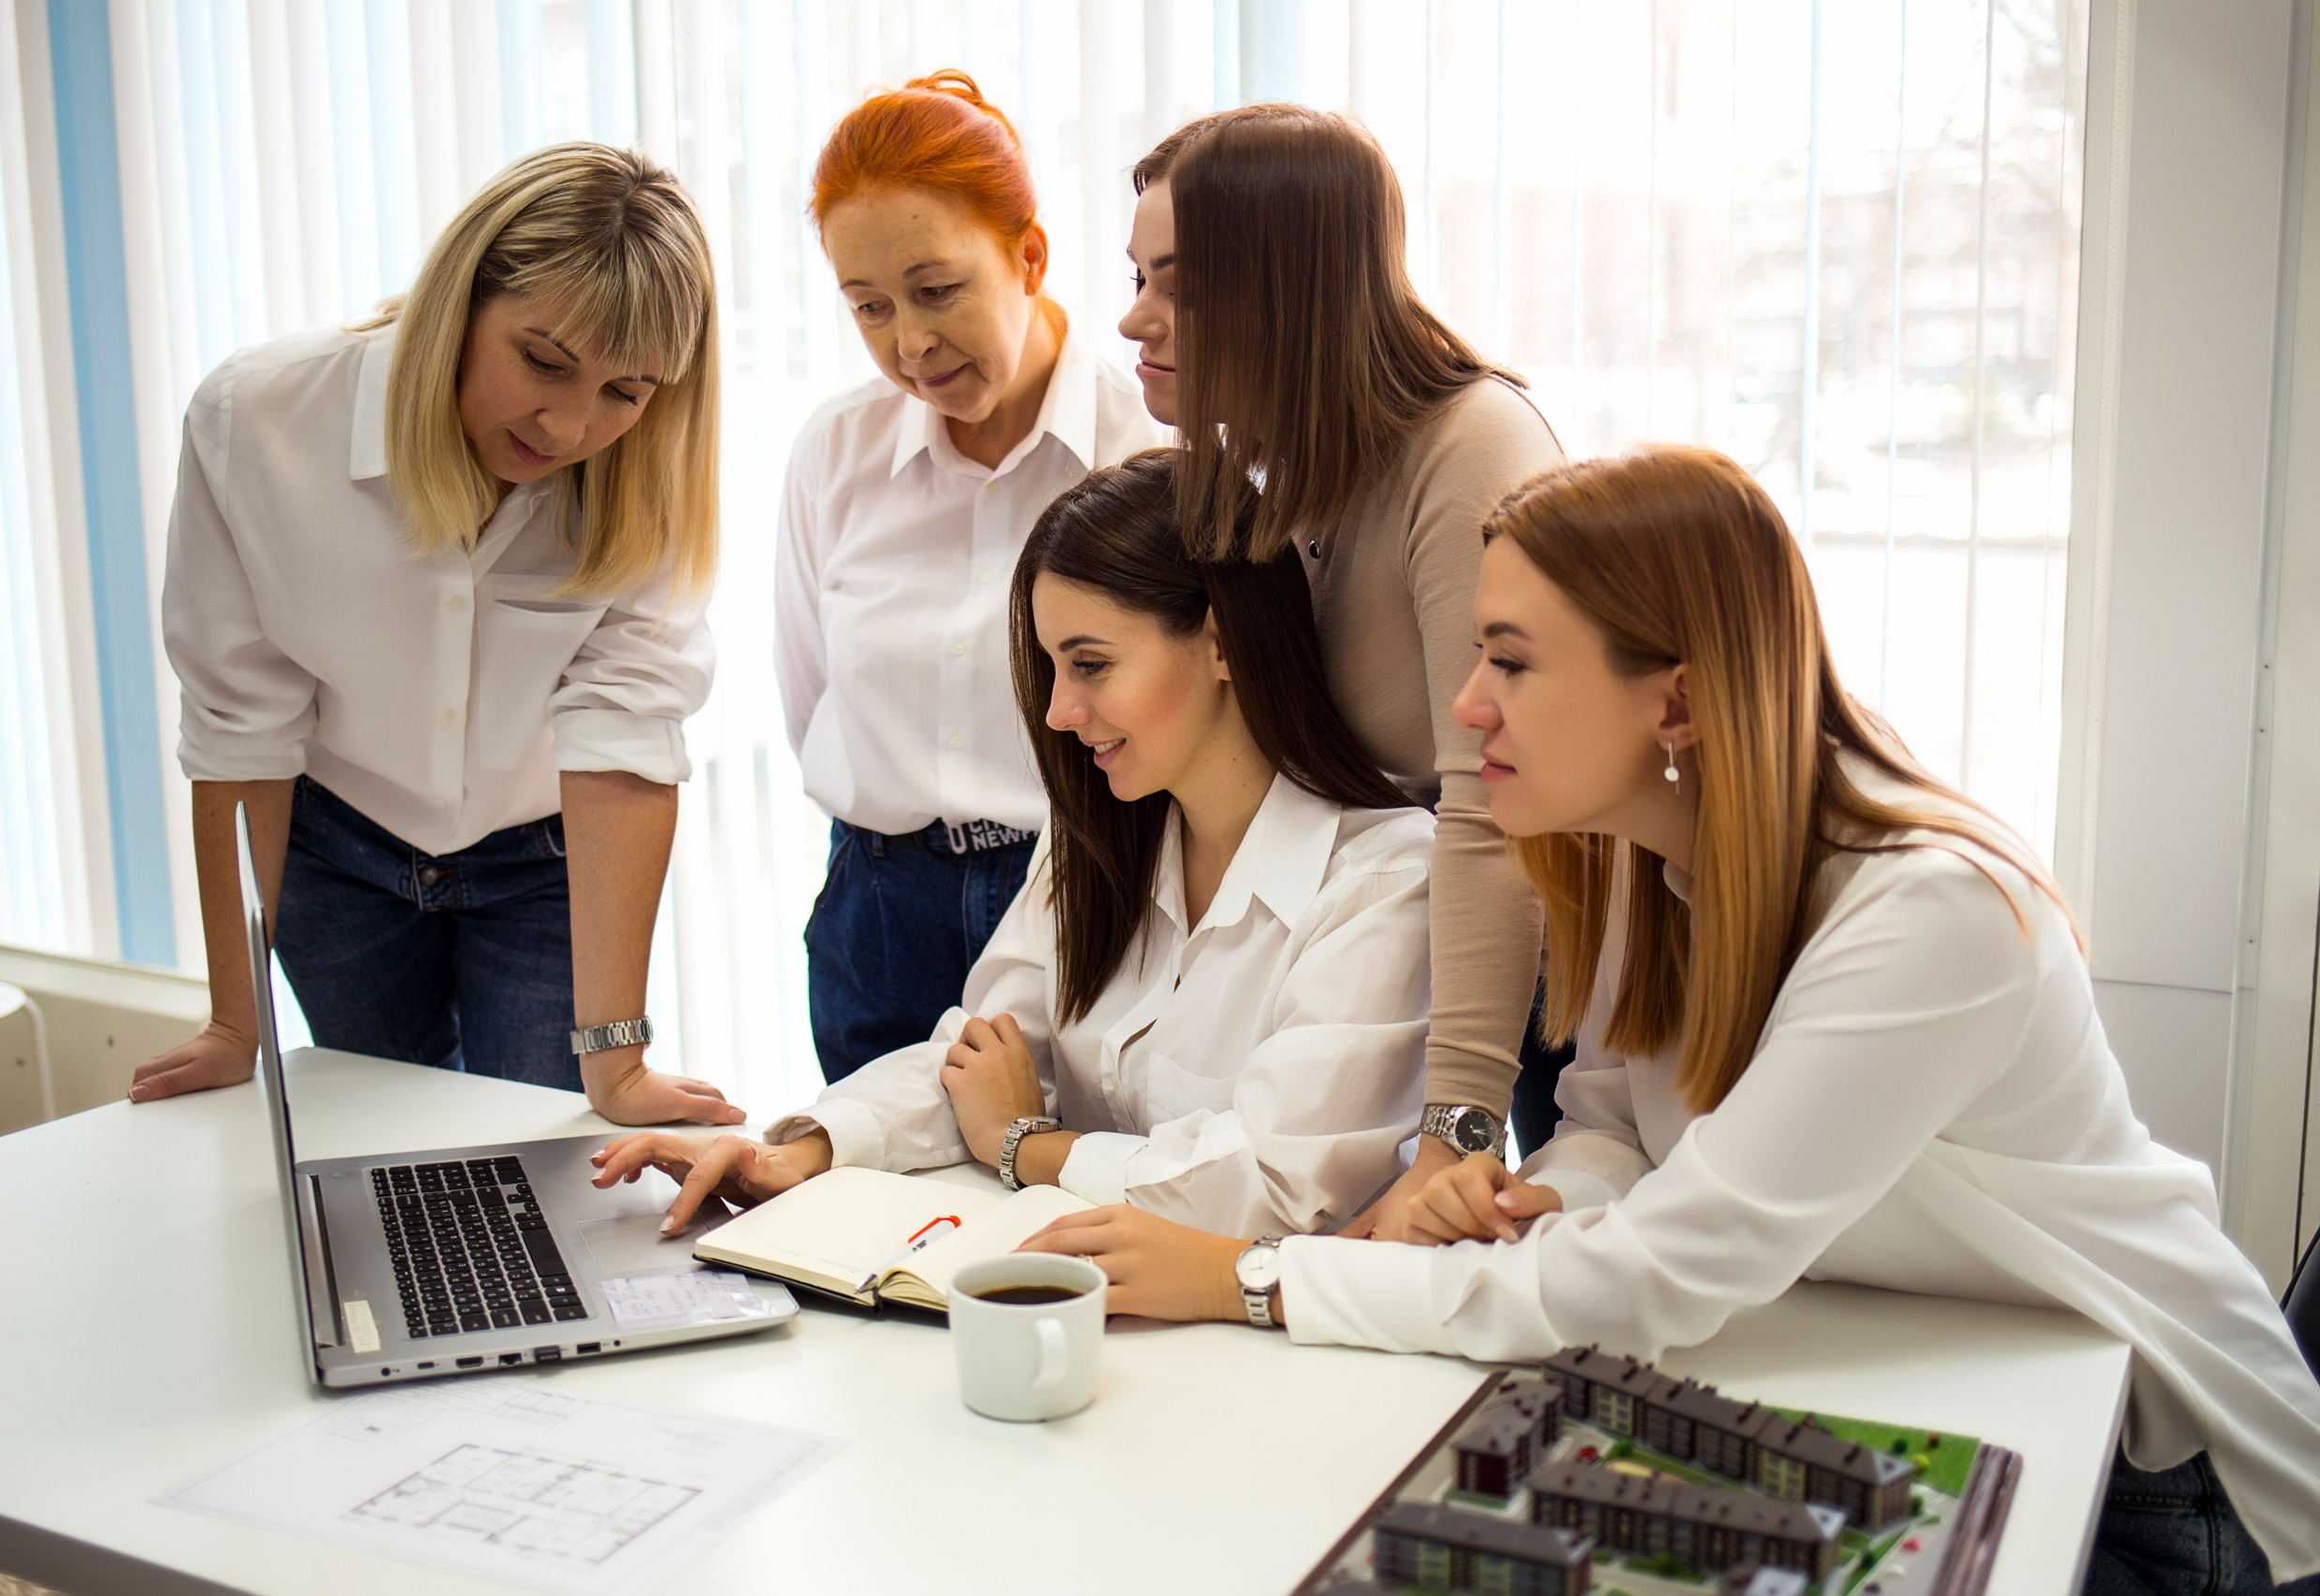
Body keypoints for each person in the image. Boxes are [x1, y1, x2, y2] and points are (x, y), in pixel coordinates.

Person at [1020, 446, 2320, 1594]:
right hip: (1933, 1368)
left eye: (1513, 661)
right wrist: (1517, 1202)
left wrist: (1258, 1276)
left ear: (1679, 701)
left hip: (2162, 1479)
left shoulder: (1936, 913)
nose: (1466, 705)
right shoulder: (1644, 860)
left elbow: (1669, 1272)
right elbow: (1610, 1132)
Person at [593, 452, 1434, 1241]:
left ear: (1221, 642)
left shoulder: (1385, 877)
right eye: (1052, 668)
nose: (1061, 712)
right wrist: (792, 1154)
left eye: (1092, 664)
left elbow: (1278, 1186)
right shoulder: (1096, 836)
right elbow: (977, 1056)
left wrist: (1022, 1143)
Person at [134, 143, 741, 1129]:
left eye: (625, 391)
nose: (570, 424)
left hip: (543, 856)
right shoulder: (260, 420)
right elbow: (242, 726)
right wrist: (234, 1023)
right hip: (336, 853)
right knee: (386, 1147)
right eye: (543, 361)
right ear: (459, 298)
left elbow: (624, 735)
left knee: (538, 1159)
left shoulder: (647, 476)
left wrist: (619, 1064)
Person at [1117, 105, 1570, 1231]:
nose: (1135, 319)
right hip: (1405, 973)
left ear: (1288, 281)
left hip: (1542, 1008)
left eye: (1178, 283)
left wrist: (1456, 1133)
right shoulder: (1290, 469)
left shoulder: (1471, 448)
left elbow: (1492, 812)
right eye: (1135, 276)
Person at [780, 70, 1167, 1085]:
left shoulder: (1144, 457)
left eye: (936, 290)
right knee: (865, 1215)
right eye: (868, 307)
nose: (909, 343)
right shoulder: (836, 453)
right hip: (874, 904)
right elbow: (810, 694)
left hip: (1082, 889)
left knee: (1056, 1206)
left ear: (1028, 256)